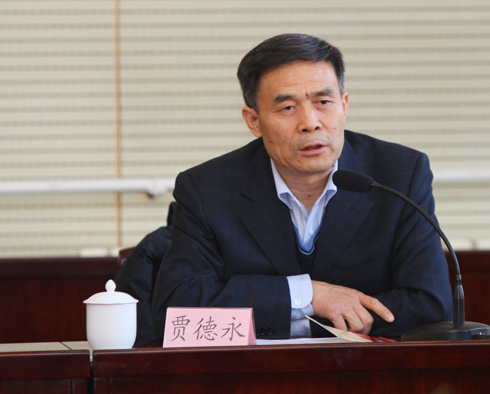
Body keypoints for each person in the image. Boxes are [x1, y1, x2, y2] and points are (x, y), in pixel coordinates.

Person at [152, 33, 452, 340]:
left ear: (344, 105)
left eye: (323, 102)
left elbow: (431, 307)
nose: (310, 123)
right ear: (254, 121)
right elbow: (177, 312)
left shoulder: (399, 175)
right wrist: (308, 295)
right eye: (287, 108)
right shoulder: (207, 189)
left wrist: (298, 320)